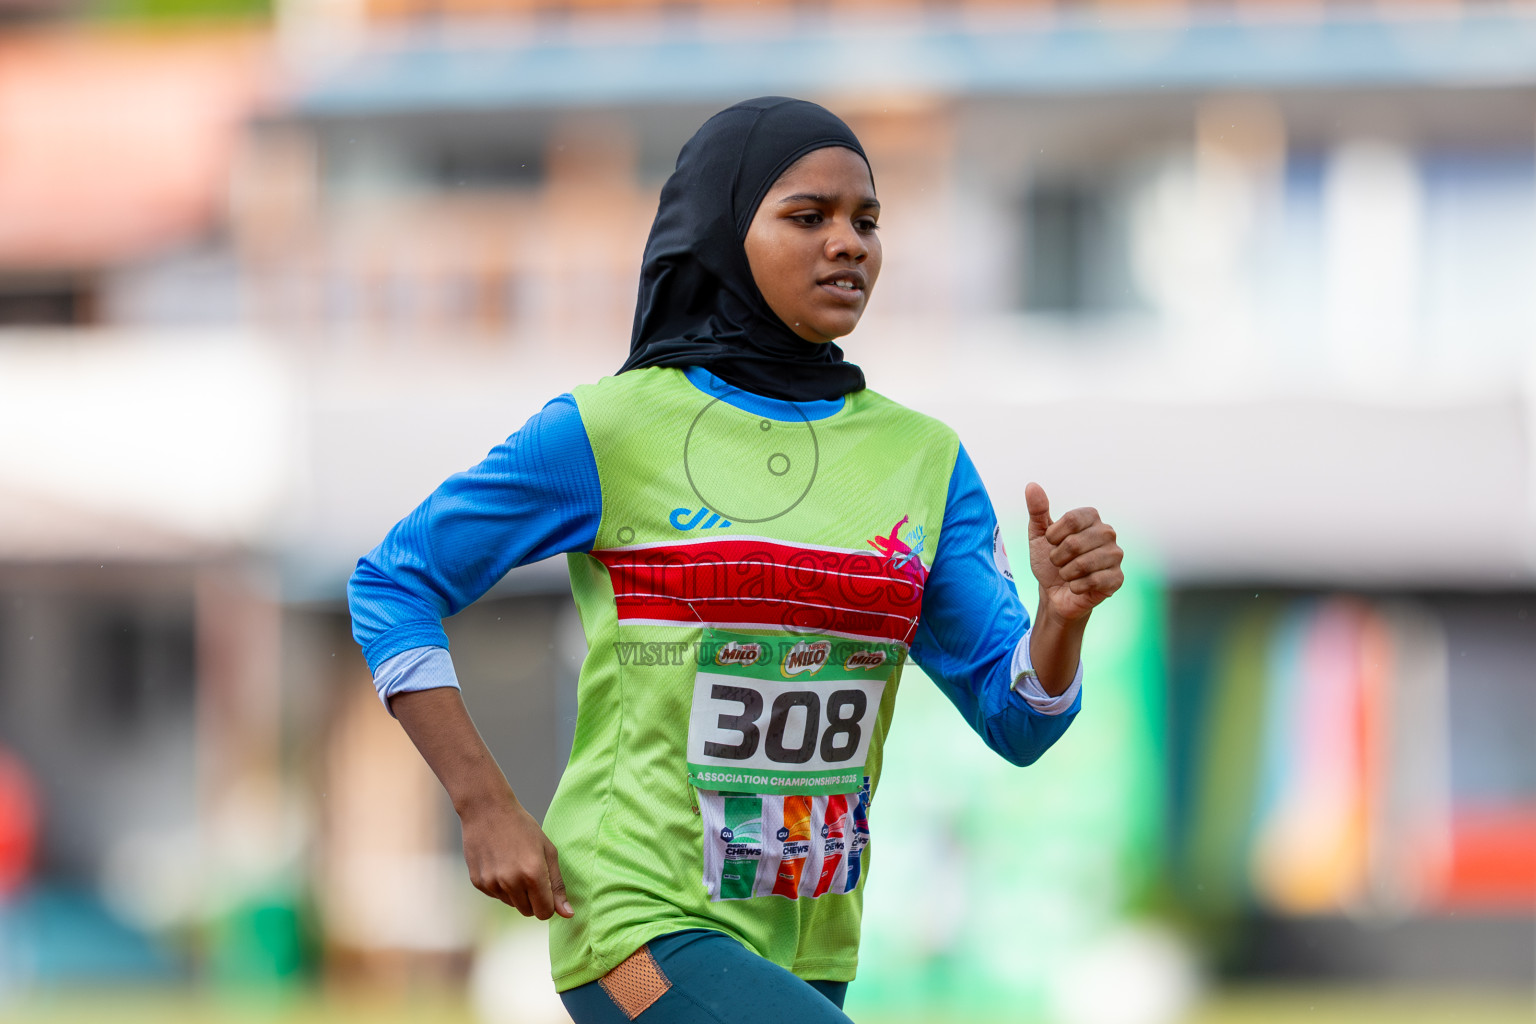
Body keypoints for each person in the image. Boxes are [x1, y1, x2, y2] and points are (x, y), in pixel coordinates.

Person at [348, 96, 1125, 1023]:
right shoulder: (610, 429)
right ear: (721, 232)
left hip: (814, 943)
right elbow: (393, 582)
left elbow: (1019, 721)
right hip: (633, 932)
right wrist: (482, 805)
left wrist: (1061, 621)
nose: (850, 244)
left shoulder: (925, 460)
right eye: (809, 217)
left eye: (866, 221)